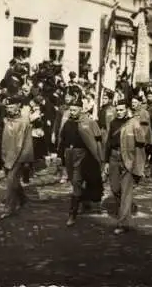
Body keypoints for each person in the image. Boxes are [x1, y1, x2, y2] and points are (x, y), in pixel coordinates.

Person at [103, 99, 147, 234]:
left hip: (128, 159)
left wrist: (138, 164)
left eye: (122, 109)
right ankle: (126, 212)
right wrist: (106, 162)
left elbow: (142, 142)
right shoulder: (113, 123)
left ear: (127, 109)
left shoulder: (133, 123)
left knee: (126, 191)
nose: (119, 112)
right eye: (118, 110)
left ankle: (122, 223)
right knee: (115, 188)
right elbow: (108, 144)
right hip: (114, 157)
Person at [58, 96, 104, 226]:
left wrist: (100, 158)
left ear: (81, 109)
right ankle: (85, 202)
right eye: (70, 110)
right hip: (69, 155)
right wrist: (60, 155)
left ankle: (72, 214)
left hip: (83, 156)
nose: (71, 112)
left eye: (74, 110)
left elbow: (97, 141)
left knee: (77, 182)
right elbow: (62, 140)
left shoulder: (89, 122)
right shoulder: (68, 122)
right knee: (74, 182)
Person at [0, 95, 35, 219]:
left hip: (18, 156)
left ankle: (9, 208)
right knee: (14, 182)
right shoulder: (4, 121)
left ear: (18, 107)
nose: (9, 110)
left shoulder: (24, 123)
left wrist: (26, 160)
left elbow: (28, 142)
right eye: (7, 107)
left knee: (11, 181)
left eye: (11, 107)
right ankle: (22, 199)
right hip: (6, 154)